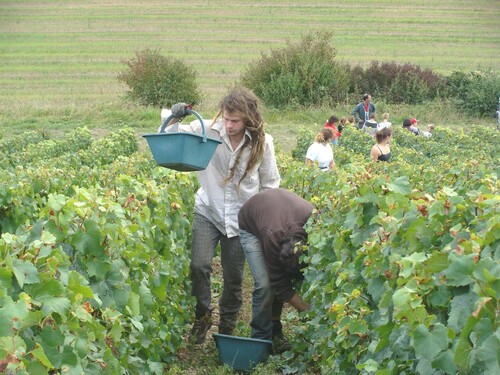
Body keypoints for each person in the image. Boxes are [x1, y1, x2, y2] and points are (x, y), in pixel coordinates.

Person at [167, 87, 281, 344]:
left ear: (248, 119)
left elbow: (270, 184)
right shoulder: (208, 129)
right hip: (208, 210)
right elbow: (170, 134)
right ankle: (202, 316)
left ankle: (226, 332)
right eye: (227, 119)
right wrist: (176, 116)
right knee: (198, 265)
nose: (229, 125)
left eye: (236, 121)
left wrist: (263, 222)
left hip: (242, 219)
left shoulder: (264, 143)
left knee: (233, 279)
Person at [238, 188, 313, 351]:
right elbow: (279, 282)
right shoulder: (271, 236)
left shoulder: (313, 223)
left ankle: (275, 330)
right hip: (250, 223)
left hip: (275, 213)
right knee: (266, 284)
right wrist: (308, 310)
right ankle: (260, 339)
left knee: (279, 280)